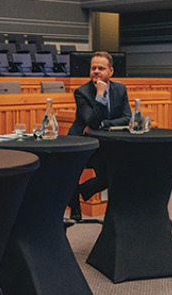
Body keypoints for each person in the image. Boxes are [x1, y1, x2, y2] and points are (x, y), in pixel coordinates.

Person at [67, 51, 132, 219]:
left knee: (110, 176)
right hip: (81, 142)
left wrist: (104, 124)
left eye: (101, 68)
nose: (96, 71)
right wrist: (100, 95)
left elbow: (127, 118)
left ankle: (81, 192)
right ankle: (75, 208)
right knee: (72, 173)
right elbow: (91, 121)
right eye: (93, 68)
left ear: (111, 71)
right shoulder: (81, 92)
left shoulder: (120, 89)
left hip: (104, 142)